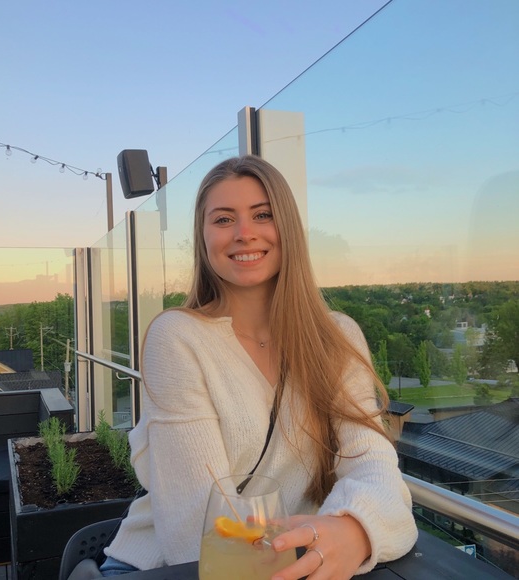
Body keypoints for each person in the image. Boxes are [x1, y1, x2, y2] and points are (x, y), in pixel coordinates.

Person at [100, 155, 418, 579]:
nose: (244, 233)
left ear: (287, 227)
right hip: (170, 568)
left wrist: (355, 530)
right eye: (223, 219)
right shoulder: (177, 337)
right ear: (203, 237)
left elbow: (375, 469)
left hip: (294, 561)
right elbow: (197, 528)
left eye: (262, 215)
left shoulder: (336, 338)